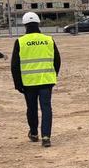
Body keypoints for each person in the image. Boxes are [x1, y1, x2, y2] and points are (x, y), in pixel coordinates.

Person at [10, 11, 61, 148]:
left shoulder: (20, 42)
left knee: (31, 108)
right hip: (46, 80)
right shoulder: (48, 39)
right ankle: (46, 137)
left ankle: (33, 133)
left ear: (25, 25)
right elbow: (57, 60)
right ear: (38, 23)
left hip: (29, 82)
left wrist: (18, 83)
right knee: (46, 108)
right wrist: (53, 74)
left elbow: (15, 65)